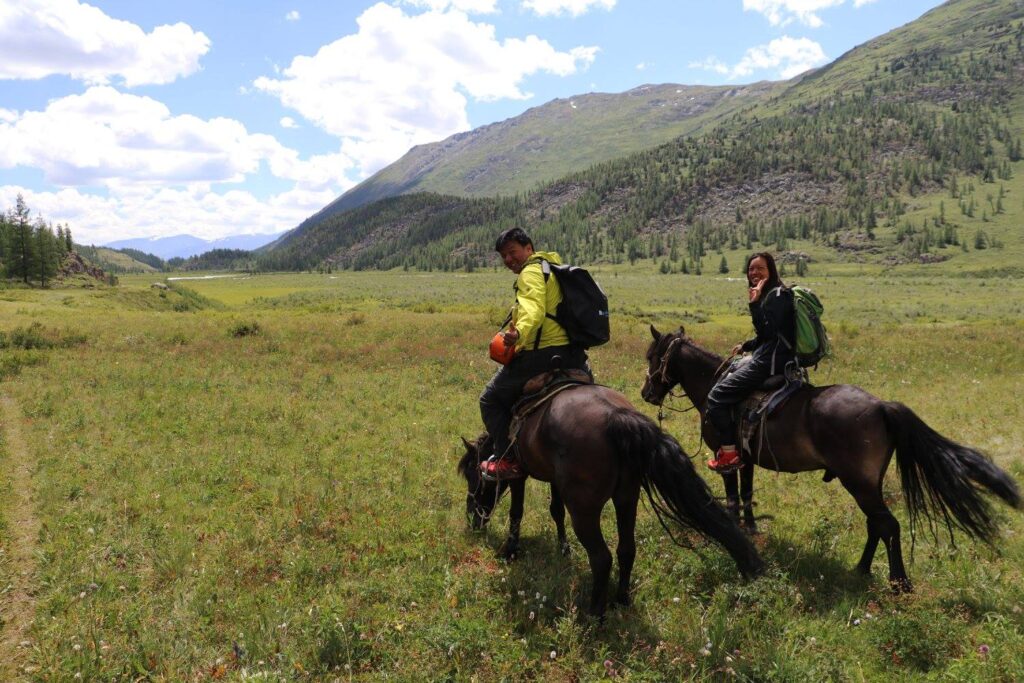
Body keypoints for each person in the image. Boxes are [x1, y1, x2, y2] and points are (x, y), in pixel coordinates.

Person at [479, 228, 591, 481]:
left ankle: (506, 458)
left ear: (528, 248)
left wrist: (518, 332)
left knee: (489, 400)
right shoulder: (553, 268)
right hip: (573, 355)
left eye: (512, 252)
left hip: (540, 355)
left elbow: (533, 309)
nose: (508, 260)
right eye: (503, 256)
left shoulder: (530, 273)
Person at [706, 252, 795, 472]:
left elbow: (768, 331)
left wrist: (754, 304)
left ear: (770, 270)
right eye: (751, 269)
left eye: (760, 268)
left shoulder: (776, 295)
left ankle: (729, 453)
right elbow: (771, 335)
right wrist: (746, 346)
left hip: (769, 363)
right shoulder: (773, 294)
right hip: (771, 355)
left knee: (716, 397)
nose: (754, 273)